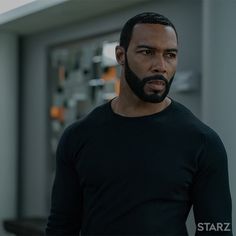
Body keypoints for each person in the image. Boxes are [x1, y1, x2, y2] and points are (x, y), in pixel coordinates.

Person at [45, 12, 232, 235]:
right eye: (147, 52)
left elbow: (216, 230)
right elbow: (61, 226)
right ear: (120, 55)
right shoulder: (78, 136)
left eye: (170, 55)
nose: (160, 66)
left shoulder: (202, 141)